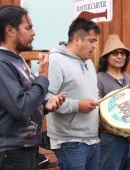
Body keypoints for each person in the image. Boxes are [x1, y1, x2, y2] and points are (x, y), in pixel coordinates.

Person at [0, 5, 66, 170]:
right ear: (10, 30)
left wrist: (44, 106)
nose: (33, 33)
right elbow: (20, 107)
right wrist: (42, 76)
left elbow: (22, 100)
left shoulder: (14, 59)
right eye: (28, 28)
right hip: (9, 151)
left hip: (21, 148)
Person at [45, 17, 101, 170]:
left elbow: (94, 94)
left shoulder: (89, 63)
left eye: (95, 41)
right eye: (91, 41)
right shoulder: (56, 61)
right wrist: (77, 105)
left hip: (93, 138)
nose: (94, 46)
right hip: (70, 141)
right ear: (77, 39)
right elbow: (47, 98)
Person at [97, 34, 130, 170]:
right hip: (112, 140)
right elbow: (97, 112)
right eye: (115, 53)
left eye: (123, 53)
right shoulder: (99, 79)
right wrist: (122, 132)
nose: (120, 56)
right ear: (106, 57)